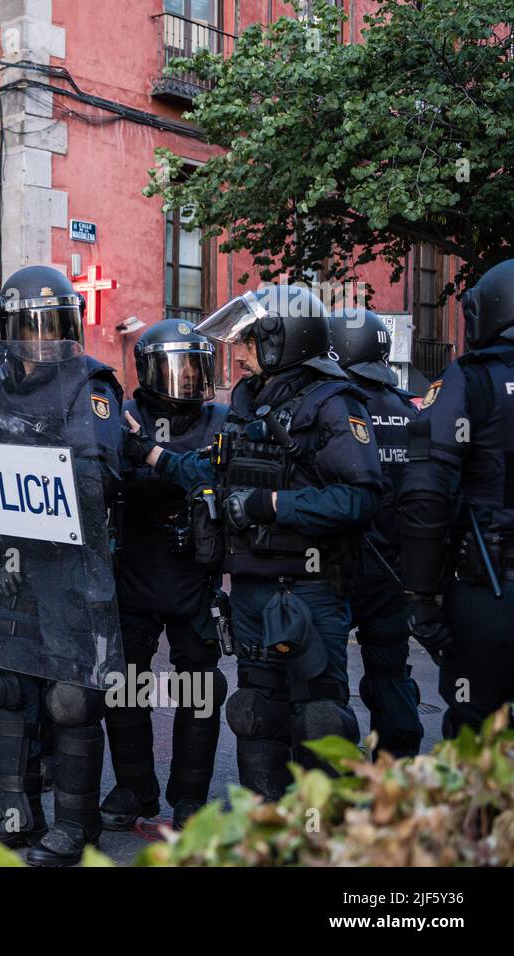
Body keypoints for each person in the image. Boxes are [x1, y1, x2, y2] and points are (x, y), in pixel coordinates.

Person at [127, 284, 384, 802]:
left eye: (247, 342)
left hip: (308, 589)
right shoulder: (248, 402)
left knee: (318, 717)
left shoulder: (334, 405)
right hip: (251, 588)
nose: (237, 353)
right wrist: (150, 453)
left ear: (279, 342)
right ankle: (266, 833)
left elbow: (360, 499)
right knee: (253, 712)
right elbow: (212, 471)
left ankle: (321, 839)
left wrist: (271, 506)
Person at [0, 265, 124, 865]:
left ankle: (77, 825)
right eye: (31, 326)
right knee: (5, 684)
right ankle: (16, 813)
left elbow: (102, 471)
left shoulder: (90, 382)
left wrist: (38, 472)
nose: (43, 339)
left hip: (71, 567)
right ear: (11, 329)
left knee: (72, 697)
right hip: (10, 564)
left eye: (55, 325)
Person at [102, 319, 228, 830]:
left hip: (194, 572)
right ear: (150, 370)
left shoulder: (221, 418)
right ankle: (134, 789)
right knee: (124, 685)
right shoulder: (123, 415)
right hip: (132, 568)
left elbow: (214, 478)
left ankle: (190, 796)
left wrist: (153, 460)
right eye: (176, 367)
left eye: (196, 365)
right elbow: (106, 477)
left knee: (201, 686)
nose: (188, 378)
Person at [399, 258, 514, 738]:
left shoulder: (471, 378)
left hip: (491, 587)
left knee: (476, 738)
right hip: (489, 576)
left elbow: (425, 494)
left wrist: (420, 596)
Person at [328, 308, 423, 758]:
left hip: (339, 564)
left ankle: (334, 787)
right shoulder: (408, 409)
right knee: (391, 674)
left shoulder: (336, 406)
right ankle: (399, 776)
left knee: (327, 686)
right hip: (394, 570)